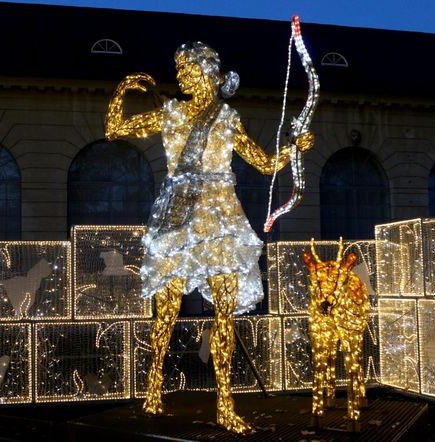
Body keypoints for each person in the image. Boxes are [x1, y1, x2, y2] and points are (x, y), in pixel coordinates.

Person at [105, 41, 313, 434]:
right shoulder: (170, 113)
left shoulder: (227, 117)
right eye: (179, 69)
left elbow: (264, 163)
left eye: (187, 69)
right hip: (177, 218)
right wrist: (122, 92)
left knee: (224, 313)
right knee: (165, 311)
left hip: (219, 218)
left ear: (206, 73)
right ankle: (152, 389)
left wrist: (294, 149)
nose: (181, 76)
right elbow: (114, 129)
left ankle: (225, 403)